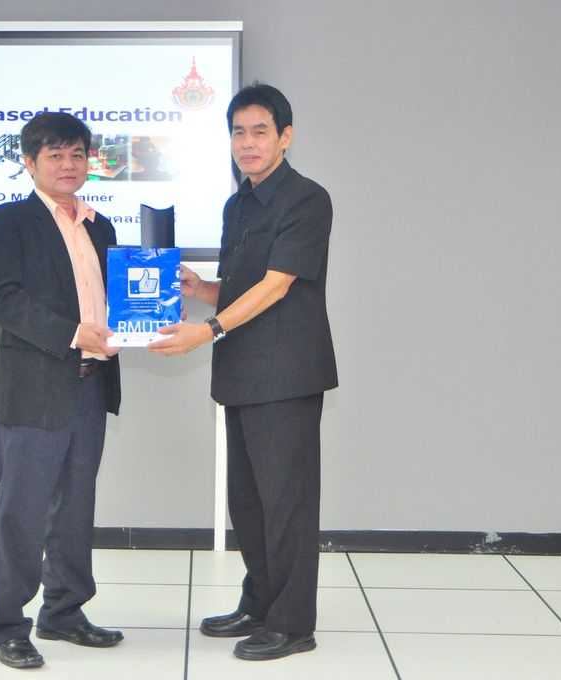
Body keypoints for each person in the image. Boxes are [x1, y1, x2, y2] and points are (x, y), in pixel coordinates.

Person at [148, 83, 337, 661]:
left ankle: (293, 623)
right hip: (242, 371)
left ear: (286, 136)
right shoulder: (238, 205)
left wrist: (207, 330)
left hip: (286, 374)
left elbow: (278, 285)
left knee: (287, 503)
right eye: (238, 132)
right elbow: (241, 287)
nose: (247, 143)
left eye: (260, 131)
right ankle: (260, 603)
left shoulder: (306, 199)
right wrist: (200, 289)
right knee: (249, 502)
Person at [0, 112, 123, 670]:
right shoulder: (7, 222)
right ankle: (8, 624)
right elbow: (3, 300)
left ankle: (64, 611)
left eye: (77, 155)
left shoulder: (100, 227)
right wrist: (72, 333)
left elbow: (115, 301)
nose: (68, 164)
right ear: (29, 162)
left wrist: (145, 318)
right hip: (33, 386)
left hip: (91, 384)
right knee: (22, 509)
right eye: (55, 155)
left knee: (75, 506)